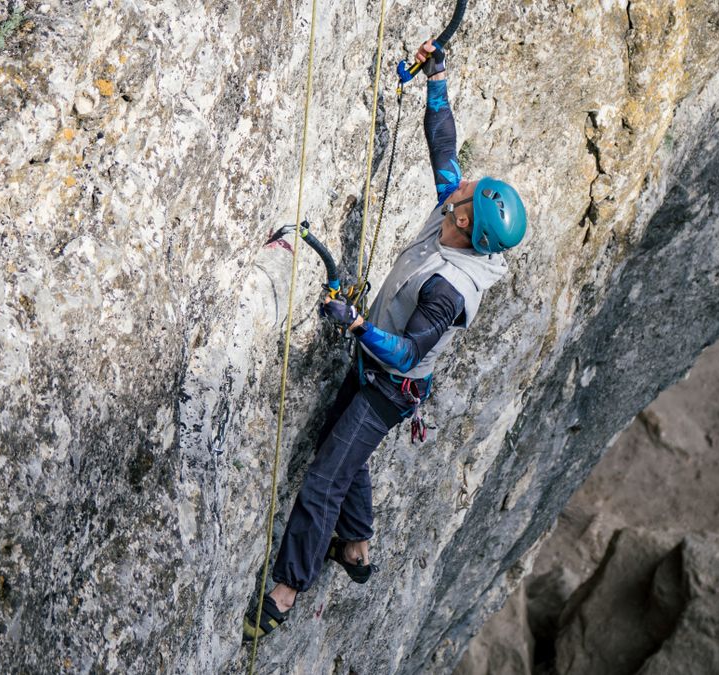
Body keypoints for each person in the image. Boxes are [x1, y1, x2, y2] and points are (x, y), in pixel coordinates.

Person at [243, 39, 528, 642]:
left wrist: (354, 326)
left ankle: (287, 590)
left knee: (324, 477)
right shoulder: (456, 216)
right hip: (375, 367)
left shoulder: (450, 290)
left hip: (389, 387)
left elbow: (408, 352)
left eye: (468, 190)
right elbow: (443, 143)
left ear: (463, 220)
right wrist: (437, 78)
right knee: (344, 451)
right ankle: (357, 545)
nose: (462, 181)